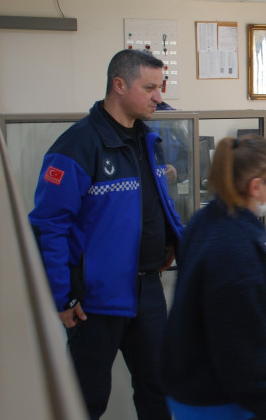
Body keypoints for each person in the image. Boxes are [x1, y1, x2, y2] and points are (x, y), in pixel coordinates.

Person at [29, 49, 183, 420]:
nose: (158, 97)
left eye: (160, 87)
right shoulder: (77, 146)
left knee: (159, 392)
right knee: (86, 399)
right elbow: (49, 226)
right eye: (149, 88)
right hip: (95, 299)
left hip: (148, 289)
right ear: (119, 85)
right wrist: (63, 297)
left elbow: (153, 202)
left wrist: (168, 242)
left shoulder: (148, 141)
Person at [161, 135, 266, 420]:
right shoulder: (235, 250)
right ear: (256, 186)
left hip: (198, 387)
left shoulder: (209, 220)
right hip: (219, 399)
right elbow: (239, 347)